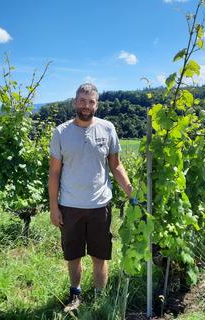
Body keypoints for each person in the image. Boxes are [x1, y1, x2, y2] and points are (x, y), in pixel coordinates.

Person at [48, 83, 133, 312]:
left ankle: (98, 297)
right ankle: (75, 295)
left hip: (100, 206)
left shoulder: (107, 129)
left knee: (99, 255)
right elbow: (54, 172)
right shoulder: (61, 132)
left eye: (91, 101)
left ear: (97, 104)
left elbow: (116, 165)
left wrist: (129, 189)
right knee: (73, 256)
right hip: (70, 206)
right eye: (82, 101)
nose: (86, 106)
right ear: (75, 102)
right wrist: (53, 207)